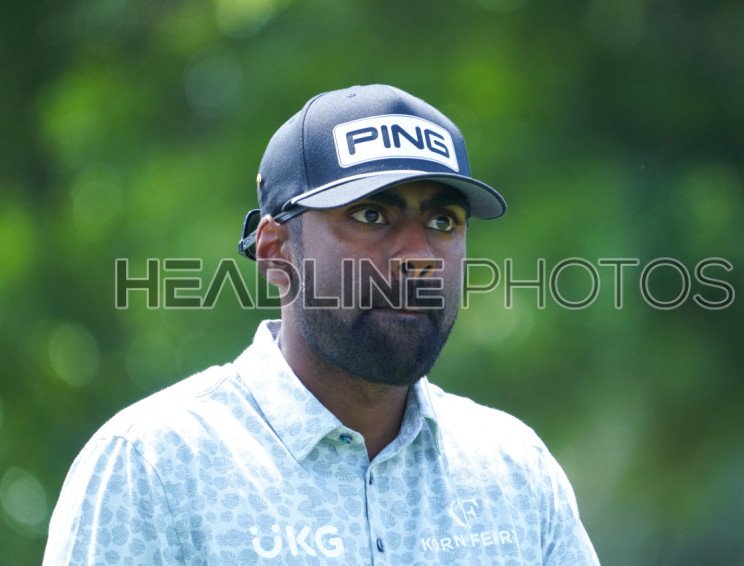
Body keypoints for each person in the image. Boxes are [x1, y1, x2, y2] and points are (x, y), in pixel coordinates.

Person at [44, 84, 599, 565]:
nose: (417, 255)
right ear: (275, 250)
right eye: (371, 215)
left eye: (442, 220)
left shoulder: (515, 471)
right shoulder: (153, 465)